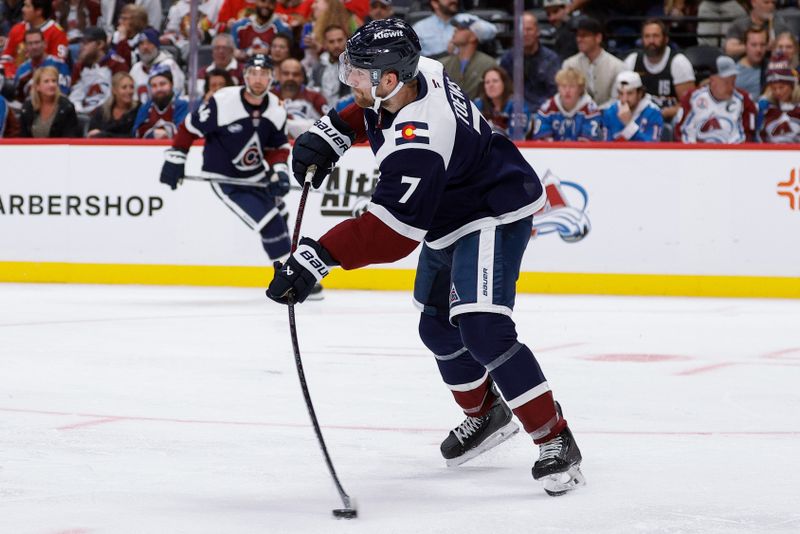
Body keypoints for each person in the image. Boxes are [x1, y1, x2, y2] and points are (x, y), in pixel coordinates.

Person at [268, 19, 585, 496]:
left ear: (390, 79)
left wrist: (316, 258)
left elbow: (391, 234)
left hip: (489, 209)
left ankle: (555, 438)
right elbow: (366, 109)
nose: (349, 80)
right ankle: (486, 415)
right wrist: (333, 130)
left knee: (482, 327)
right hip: (448, 208)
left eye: (358, 72)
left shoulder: (419, 140)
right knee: (436, 326)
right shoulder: (418, 71)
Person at [159, 54, 322, 297]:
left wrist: (279, 171)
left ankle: (290, 274)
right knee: (270, 223)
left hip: (257, 177)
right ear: (245, 76)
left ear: (271, 78)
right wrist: (177, 157)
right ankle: (289, 279)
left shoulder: (276, 107)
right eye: (253, 73)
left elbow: (276, 146)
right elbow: (189, 127)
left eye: (264, 74)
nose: (258, 79)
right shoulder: (223, 101)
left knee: (282, 216)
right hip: (226, 180)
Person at [623, 18, 696, 121]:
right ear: (642, 39)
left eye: (655, 36)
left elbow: (689, 104)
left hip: (669, 119)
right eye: (647, 36)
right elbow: (622, 97)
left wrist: (662, 114)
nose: (651, 41)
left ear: (666, 39)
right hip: (637, 117)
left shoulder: (679, 62)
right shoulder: (632, 60)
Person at [675, 55, 757, 143]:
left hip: (732, 154)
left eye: (733, 81)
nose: (731, 87)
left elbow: (748, 136)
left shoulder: (744, 100)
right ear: (713, 80)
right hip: (697, 153)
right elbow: (681, 132)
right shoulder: (692, 97)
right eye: (726, 82)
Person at [499, 12, 559, 112]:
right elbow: (503, 90)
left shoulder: (551, 59)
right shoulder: (508, 59)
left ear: (537, 32)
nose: (525, 34)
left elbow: (555, 93)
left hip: (543, 113)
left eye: (529, 29)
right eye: (521, 30)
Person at [562, 16, 625, 107]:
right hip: (578, 117)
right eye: (577, 36)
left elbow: (617, 99)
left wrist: (595, 113)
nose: (579, 39)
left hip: (608, 117)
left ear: (598, 38)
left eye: (584, 35)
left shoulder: (617, 66)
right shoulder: (569, 65)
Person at [1, 0, 68, 78]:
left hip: (45, 80)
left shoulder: (57, 33)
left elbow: (58, 64)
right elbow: (6, 59)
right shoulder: (17, 29)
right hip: (15, 79)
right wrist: (12, 75)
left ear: (38, 11)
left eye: (27, 6)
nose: (23, 9)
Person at [532, 67, 602, 141]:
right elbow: (541, 140)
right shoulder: (547, 108)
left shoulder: (590, 109)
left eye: (572, 86)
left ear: (580, 89)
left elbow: (589, 142)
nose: (567, 91)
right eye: (563, 86)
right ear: (558, 87)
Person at [437, 14, 497, 101]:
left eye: (461, 28)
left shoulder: (488, 64)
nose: (455, 30)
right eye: (456, 27)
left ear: (473, 36)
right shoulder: (442, 64)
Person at [412, 0, 495, 58]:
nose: (455, 1)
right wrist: (445, 53)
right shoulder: (419, 28)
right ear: (435, 3)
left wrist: (470, 29)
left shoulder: (465, 19)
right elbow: (414, 58)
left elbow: (492, 31)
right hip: (432, 72)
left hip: (464, 67)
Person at [272, 57, 328, 138]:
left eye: (295, 74)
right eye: (286, 73)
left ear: (302, 77)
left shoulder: (315, 97)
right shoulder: (269, 96)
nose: (290, 78)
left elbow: (329, 126)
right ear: (279, 76)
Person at [12, 27, 71, 102]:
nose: (34, 47)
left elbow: (63, 93)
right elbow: (17, 97)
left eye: (37, 42)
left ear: (44, 44)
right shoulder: (22, 70)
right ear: (26, 47)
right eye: (30, 43)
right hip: (28, 109)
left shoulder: (59, 65)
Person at [19, 64, 80, 136]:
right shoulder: (27, 107)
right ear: (37, 86)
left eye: (54, 81)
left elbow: (70, 137)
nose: (52, 85)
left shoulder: (67, 107)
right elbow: (22, 137)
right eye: (46, 81)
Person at [602, 71, 664, 141]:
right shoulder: (610, 112)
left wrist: (629, 125)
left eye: (629, 93)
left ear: (640, 93)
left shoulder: (654, 113)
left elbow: (653, 148)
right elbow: (607, 147)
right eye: (620, 93)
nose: (624, 99)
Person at [473, 65, 531, 138]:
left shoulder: (518, 105)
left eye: (495, 81)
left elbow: (517, 137)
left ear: (504, 83)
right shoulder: (478, 104)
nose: (491, 85)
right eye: (487, 82)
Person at [129, 27, 185, 102]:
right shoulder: (136, 68)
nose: (145, 47)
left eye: (149, 43)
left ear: (156, 46)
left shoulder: (169, 65)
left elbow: (177, 93)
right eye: (141, 44)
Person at [132, 65, 189, 138]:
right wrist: (153, 133)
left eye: (162, 84)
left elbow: (183, 132)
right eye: (154, 86)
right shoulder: (146, 106)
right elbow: (136, 132)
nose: (158, 89)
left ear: (171, 84)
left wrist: (165, 131)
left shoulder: (182, 104)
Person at [724, 0, 791, 58]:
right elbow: (730, 49)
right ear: (754, 2)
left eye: (773, 3)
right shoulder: (740, 25)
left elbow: (791, 49)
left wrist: (778, 47)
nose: (771, 6)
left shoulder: (779, 25)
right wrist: (759, 46)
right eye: (766, 2)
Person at [68, 26, 112, 114]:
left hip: (105, 115)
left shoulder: (116, 64)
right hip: (81, 115)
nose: (81, 46)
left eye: (85, 43)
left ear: (100, 44)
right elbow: (74, 94)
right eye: (80, 42)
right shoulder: (79, 66)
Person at [756, 54, 800, 143]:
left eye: (782, 87)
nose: (778, 92)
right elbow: (759, 137)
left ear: (792, 86)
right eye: (773, 88)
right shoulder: (765, 108)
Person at [87, 70, 140, 137]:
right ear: (114, 90)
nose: (129, 91)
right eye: (124, 87)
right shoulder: (102, 111)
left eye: (131, 87)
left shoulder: (139, 110)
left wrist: (103, 135)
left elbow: (134, 136)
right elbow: (91, 133)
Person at [309, 24, 349, 107]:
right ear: (325, 44)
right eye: (331, 41)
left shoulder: (356, 65)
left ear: (346, 41)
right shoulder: (317, 67)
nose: (336, 45)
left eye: (340, 40)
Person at [735, 26, 768, 99]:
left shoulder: (771, 68)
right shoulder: (733, 70)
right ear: (745, 45)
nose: (758, 49)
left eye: (762, 45)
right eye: (754, 45)